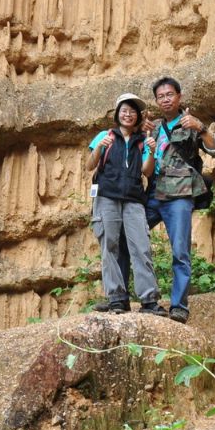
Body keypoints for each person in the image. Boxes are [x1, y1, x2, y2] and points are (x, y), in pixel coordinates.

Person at [144, 76, 215, 324]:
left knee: (180, 252)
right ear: (156, 101)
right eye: (160, 96)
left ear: (179, 96)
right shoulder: (154, 127)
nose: (165, 99)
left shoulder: (190, 122)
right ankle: (145, 300)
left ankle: (179, 306)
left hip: (179, 195)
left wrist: (201, 128)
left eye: (170, 94)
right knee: (130, 237)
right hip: (153, 193)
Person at [86, 93, 167, 316]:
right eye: (124, 110)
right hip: (106, 197)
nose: (128, 114)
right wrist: (100, 147)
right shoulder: (105, 135)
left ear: (138, 116)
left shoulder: (142, 141)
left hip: (134, 199)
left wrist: (151, 151)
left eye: (132, 111)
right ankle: (116, 299)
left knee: (141, 247)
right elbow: (89, 165)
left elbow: (147, 172)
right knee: (109, 247)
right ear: (117, 113)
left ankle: (149, 300)